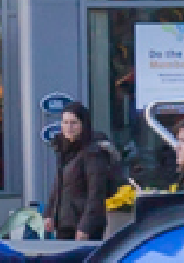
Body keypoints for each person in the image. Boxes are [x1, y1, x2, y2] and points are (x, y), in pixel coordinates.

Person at [39, 96, 122, 242]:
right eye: (65, 123)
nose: (68, 127)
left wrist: (85, 227)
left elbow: (96, 193)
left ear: (83, 125)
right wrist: (49, 213)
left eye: (73, 123)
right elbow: (58, 185)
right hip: (65, 223)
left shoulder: (93, 152)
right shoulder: (64, 149)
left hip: (84, 226)